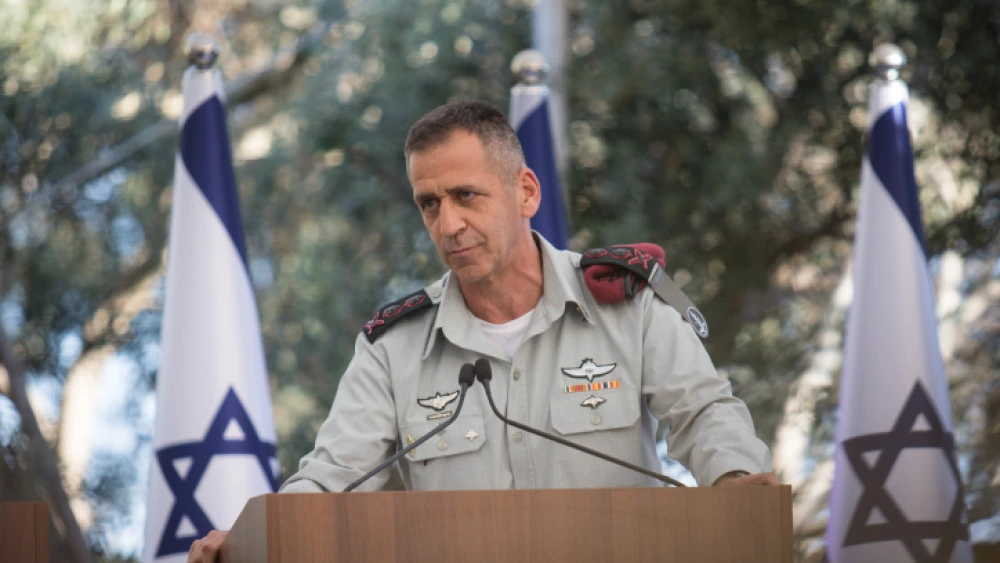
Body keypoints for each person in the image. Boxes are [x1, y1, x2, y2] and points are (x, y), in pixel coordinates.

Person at [187, 101, 778, 562]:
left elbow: (704, 413)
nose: (448, 223)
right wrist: (255, 537)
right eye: (429, 204)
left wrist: (737, 484)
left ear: (525, 192)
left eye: (466, 195)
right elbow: (331, 476)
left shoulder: (629, 303)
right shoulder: (393, 347)